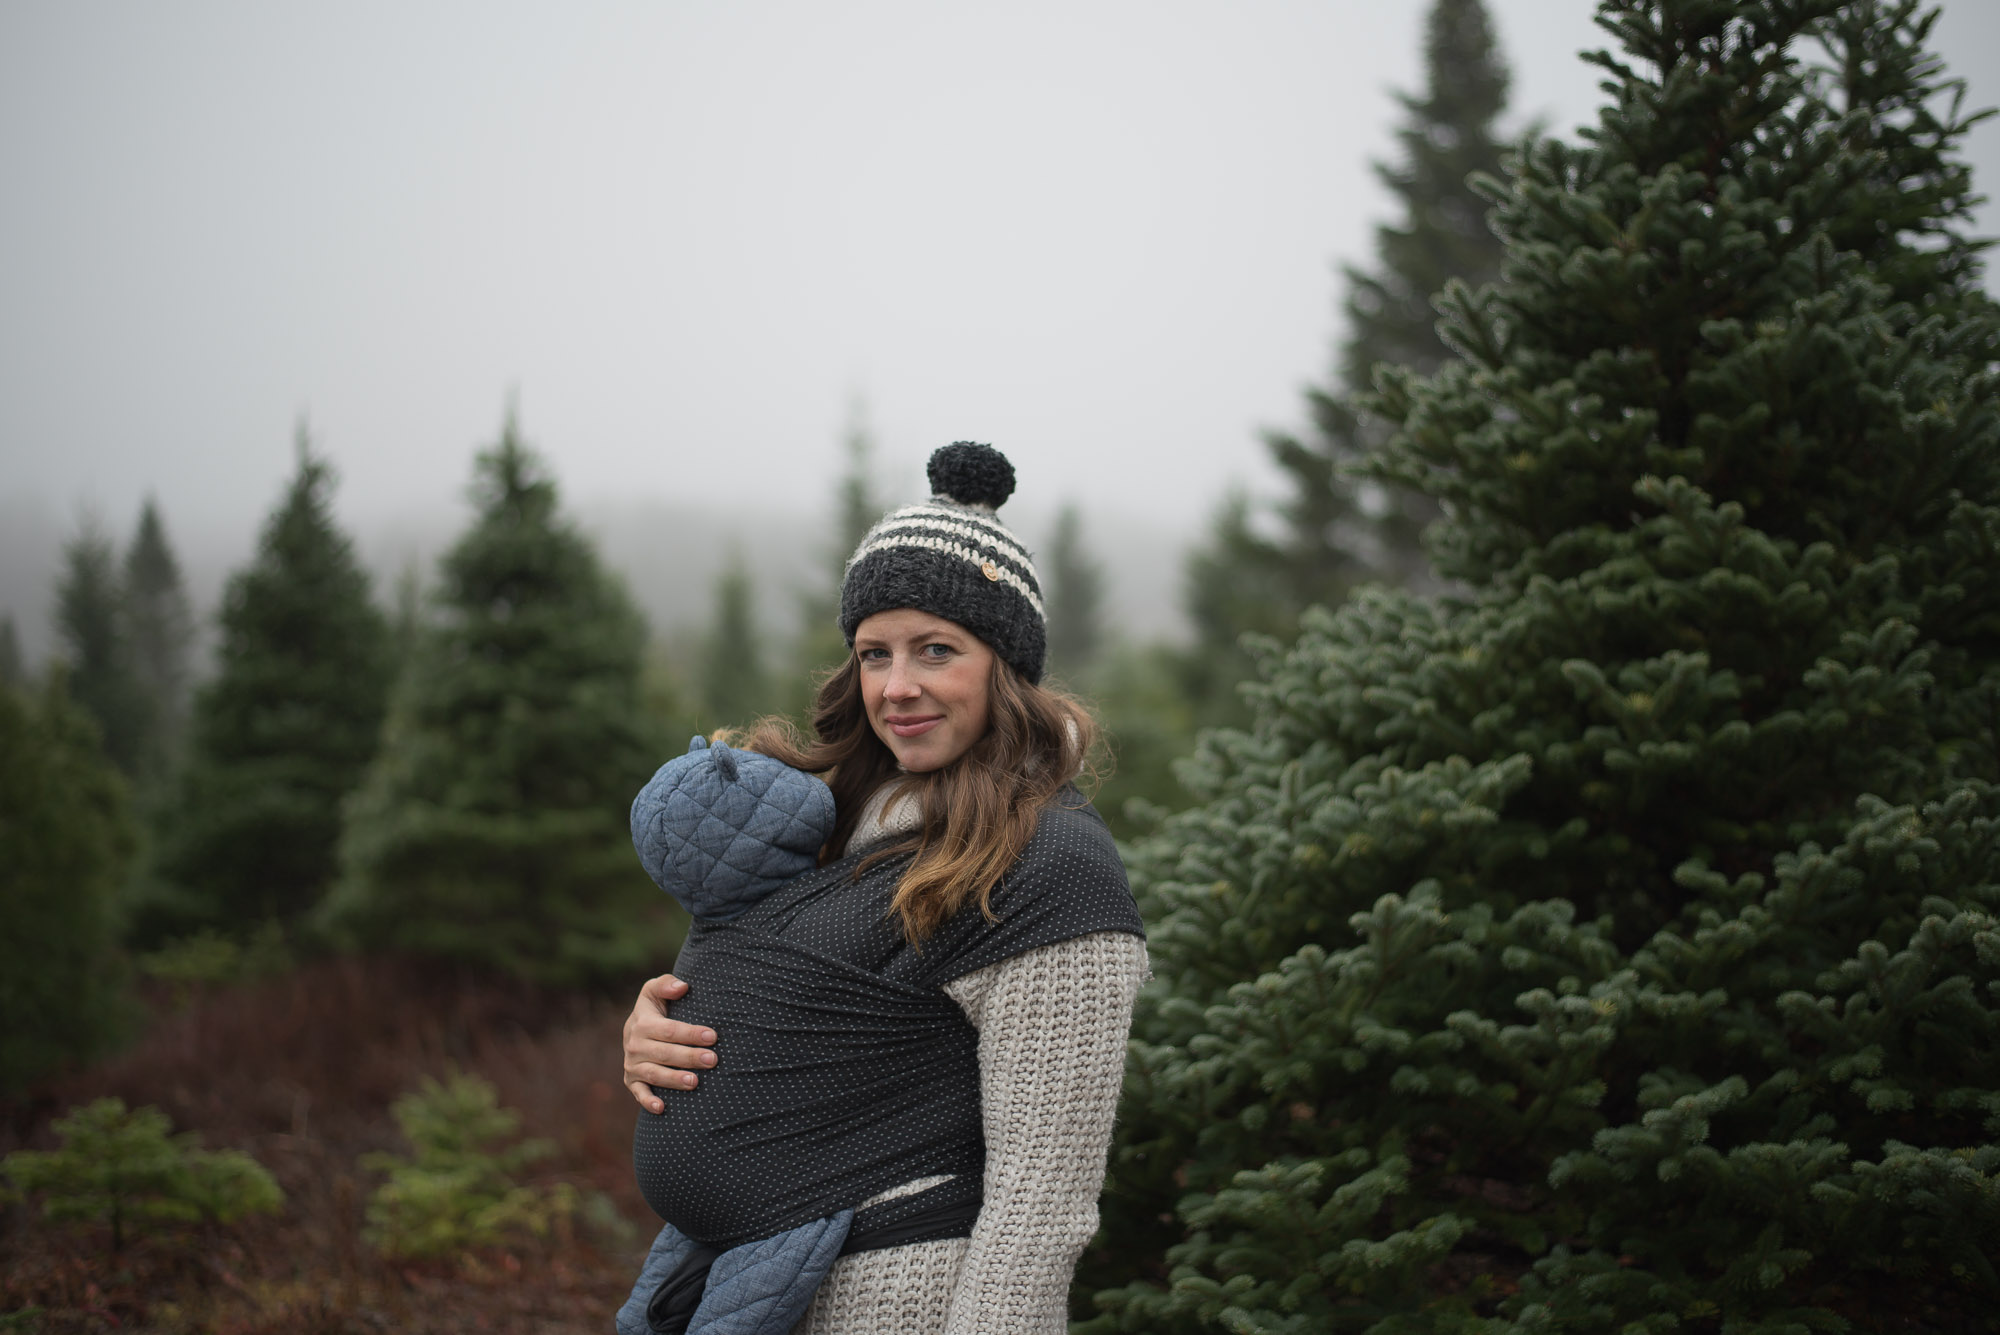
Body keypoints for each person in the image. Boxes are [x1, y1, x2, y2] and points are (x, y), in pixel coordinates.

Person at [618, 442, 1149, 1334]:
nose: (896, 687)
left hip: (901, 1304)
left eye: (936, 649)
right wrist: (657, 1028)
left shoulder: (1049, 867)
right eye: (874, 654)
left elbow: (1040, 1210)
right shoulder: (834, 826)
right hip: (751, 1291)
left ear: (1004, 665)